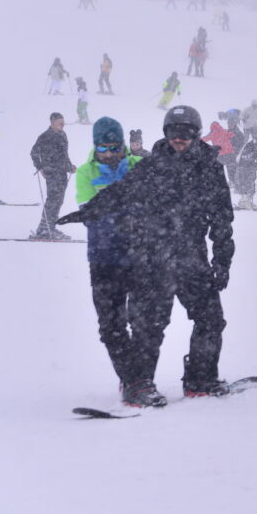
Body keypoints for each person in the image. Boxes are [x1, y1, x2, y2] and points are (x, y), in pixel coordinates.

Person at [57, 104, 236, 406]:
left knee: (211, 319)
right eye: (173, 132)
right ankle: (138, 386)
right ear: (166, 133)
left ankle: (200, 378)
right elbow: (122, 191)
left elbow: (222, 220)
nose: (179, 138)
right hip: (155, 257)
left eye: (186, 132)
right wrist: (89, 212)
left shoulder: (210, 169)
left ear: (197, 133)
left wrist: (222, 261)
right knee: (149, 326)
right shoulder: (153, 166)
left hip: (193, 258)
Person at [73, 117, 146, 392]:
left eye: (116, 147)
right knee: (111, 326)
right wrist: (128, 214)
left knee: (145, 324)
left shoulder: (139, 166)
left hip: (141, 258)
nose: (111, 153)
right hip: (104, 259)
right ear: (95, 147)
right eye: (104, 148)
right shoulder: (85, 173)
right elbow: (91, 214)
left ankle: (141, 380)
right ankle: (131, 379)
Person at [30, 112, 76, 239]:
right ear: (52, 122)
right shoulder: (45, 136)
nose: (62, 124)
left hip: (62, 173)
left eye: (63, 122)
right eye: (59, 122)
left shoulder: (63, 135)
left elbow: (64, 155)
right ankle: (43, 229)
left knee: (58, 201)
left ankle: (50, 228)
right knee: (52, 200)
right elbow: (34, 152)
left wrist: (70, 166)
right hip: (51, 172)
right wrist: (40, 167)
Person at [233, 135, 257, 210]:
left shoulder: (253, 146)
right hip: (244, 169)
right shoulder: (249, 147)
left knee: (251, 184)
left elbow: (250, 159)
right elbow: (245, 158)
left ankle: (247, 200)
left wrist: (256, 166)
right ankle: (244, 202)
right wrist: (254, 159)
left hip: (248, 168)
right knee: (247, 184)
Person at [202, 117, 237, 185]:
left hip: (221, 153)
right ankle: (233, 181)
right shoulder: (224, 130)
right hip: (230, 153)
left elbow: (204, 139)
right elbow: (233, 135)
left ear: (211, 127)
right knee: (230, 168)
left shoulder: (212, 133)